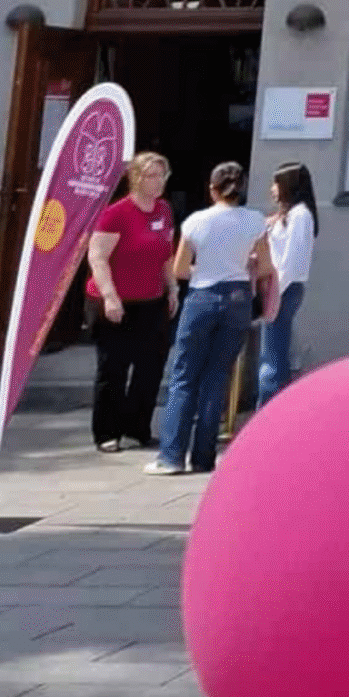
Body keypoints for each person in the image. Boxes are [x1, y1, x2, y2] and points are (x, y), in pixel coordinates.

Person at [152, 161, 270, 477]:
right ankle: (204, 457)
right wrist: (244, 264)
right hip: (237, 297)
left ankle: (172, 456)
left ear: (212, 189)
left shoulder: (195, 221)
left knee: (184, 376)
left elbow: (179, 269)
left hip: (202, 295)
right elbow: (266, 267)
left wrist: (204, 268)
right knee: (217, 377)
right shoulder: (255, 220)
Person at [84, 152, 177, 453]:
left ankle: (137, 428)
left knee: (150, 366)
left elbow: (166, 254)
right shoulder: (116, 213)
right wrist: (110, 297)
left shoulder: (164, 210)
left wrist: (172, 288)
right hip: (116, 301)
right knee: (114, 368)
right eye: (152, 176)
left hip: (151, 300)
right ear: (136, 179)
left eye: (162, 175)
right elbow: (98, 257)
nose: (158, 182)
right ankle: (106, 432)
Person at [256, 161, 320, 407]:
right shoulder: (287, 215)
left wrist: (274, 292)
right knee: (275, 350)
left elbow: (291, 260)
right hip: (280, 286)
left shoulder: (300, 215)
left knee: (272, 355)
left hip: (284, 287)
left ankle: (268, 408)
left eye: (276, 183)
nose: (272, 189)